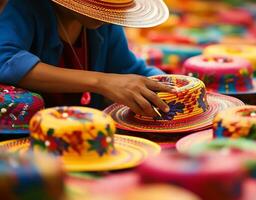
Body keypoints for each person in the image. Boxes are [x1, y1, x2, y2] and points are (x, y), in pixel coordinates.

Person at [0, 0, 173, 117]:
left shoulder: (104, 20)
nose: (108, 13)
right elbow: (6, 60)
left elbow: (130, 70)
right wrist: (102, 82)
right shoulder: (25, 7)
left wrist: (174, 86)